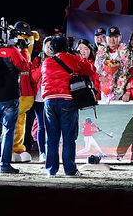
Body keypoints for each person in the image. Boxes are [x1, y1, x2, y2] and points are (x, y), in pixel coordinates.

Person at [41, 34, 97, 177]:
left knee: (51, 138)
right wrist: (79, 57)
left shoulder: (46, 62)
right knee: (68, 137)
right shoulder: (73, 58)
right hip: (67, 100)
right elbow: (91, 70)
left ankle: (51, 171)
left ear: (52, 48)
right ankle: (70, 170)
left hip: (49, 101)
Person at [0, 21, 31, 174]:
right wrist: (23, 49)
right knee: (8, 131)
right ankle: (5, 164)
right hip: (10, 96)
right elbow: (25, 67)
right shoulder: (12, 50)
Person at [11, 20, 40, 162]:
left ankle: (18, 148)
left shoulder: (32, 58)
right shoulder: (9, 52)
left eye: (27, 37)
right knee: (9, 121)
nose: (24, 40)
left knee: (21, 121)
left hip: (25, 94)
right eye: (21, 36)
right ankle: (6, 149)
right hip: (12, 93)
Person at [31, 35, 53, 162]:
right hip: (40, 98)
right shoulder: (38, 60)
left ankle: (53, 151)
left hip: (53, 97)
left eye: (51, 46)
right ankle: (42, 152)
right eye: (47, 46)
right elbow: (33, 77)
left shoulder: (59, 59)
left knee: (53, 126)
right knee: (41, 126)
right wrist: (42, 66)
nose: (49, 49)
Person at [94, 26, 132, 102]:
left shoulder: (126, 52)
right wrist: (100, 78)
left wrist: (128, 91)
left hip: (121, 90)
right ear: (106, 38)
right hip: (105, 90)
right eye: (110, 37)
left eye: (115, 37)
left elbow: (130, 72)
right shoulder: (101, 52)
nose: (112, 40)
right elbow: (95, 70)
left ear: (120, 37)